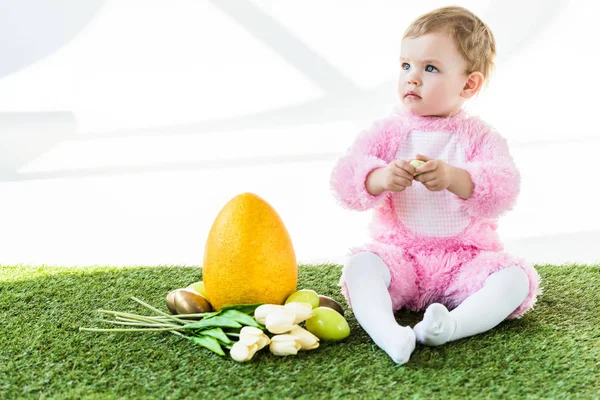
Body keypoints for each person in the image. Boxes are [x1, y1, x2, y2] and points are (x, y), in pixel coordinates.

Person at [330, 6, 542, 365]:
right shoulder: (388, 132)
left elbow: (504, 188)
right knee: (360, 266)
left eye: (430, 68)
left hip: (466, 261)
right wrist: (378, 178)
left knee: (515, 279)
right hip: (400, 258)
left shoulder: (478, 136)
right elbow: (345, 180)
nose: (412, 78)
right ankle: (388, 332)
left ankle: (450, 326)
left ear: (468, 84)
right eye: (405, 65)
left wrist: (457, 178)